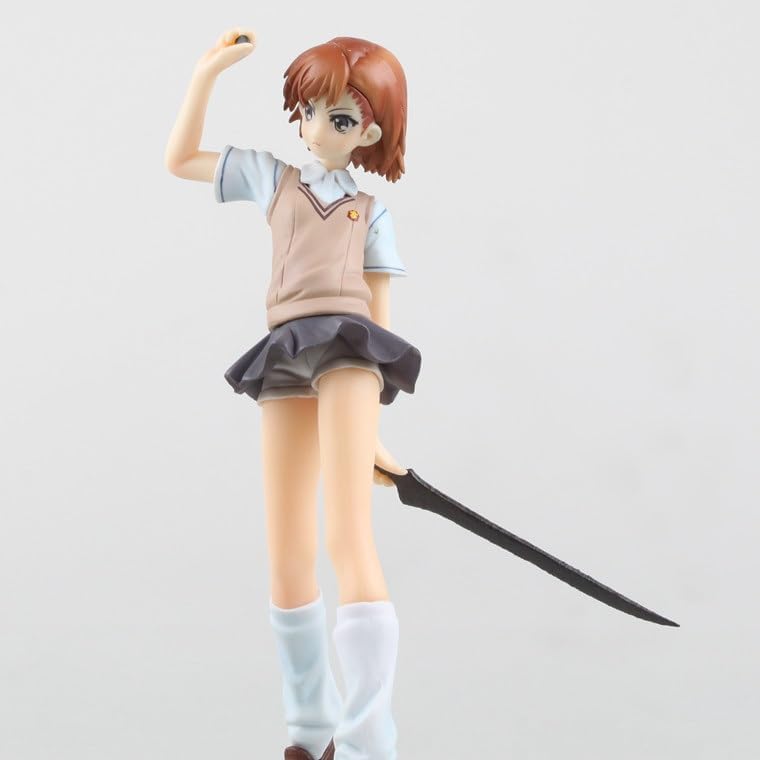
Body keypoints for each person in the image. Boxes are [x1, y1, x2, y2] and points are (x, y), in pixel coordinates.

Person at [165, 28, 421, 760]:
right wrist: (207, 72)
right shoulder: (271, 179)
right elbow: (180, 159)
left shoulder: (369, 211)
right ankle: (311, 729)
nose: (317, 129)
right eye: (310, 111)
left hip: (349, 353)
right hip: (283, 353)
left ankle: (369, 741)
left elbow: (379, 320)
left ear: (368, 132)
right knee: (286, 552)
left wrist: (373, 434)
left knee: (348, 536)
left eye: (340, 118)